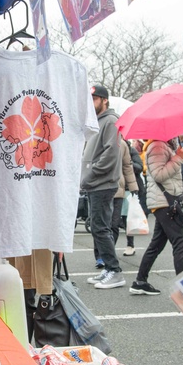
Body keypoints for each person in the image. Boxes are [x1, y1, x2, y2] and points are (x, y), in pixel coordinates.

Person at [130, 137, 183, 297]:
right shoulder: (157, 146)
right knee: (180, 243)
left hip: (165, 200)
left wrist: (178, 156)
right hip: (163, 201)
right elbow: (159, 175)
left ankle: (140, 281)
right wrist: (178, 158)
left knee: (157, 244)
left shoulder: (165, 145)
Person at [81, 84, 126, 289]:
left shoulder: (111, 121)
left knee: (100, 228)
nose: (91, 103)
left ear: (104, 100)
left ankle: (115, 271)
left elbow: (111, 154)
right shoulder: (98, 122)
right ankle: (109, 268)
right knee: (98, 227)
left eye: (94, 99)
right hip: (95, 183)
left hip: (102, 183)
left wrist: (90, 175)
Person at [114, 136, 139, 257]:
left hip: (128, 190)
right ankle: (110, 249)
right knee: (114, 222)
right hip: (118, 188)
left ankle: (130, 245)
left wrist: (127, 163)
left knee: (128, 219)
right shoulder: (113, 147)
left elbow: (138, 167)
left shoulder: (131, 150)